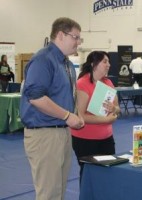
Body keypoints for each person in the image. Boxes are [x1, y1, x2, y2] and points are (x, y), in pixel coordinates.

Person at [20, 17, 85, 200]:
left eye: (80, 38)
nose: (78, 42)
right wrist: (67, 116)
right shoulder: (43, 60)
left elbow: (69, 94)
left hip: (62, 132)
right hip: (44, 135)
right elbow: (36, 97)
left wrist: (76, 114)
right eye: (75, 37)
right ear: (60, 35)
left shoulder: (67, 64)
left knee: (59, 191)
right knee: (48, 194)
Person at [70, 51, 120, 184]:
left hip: (106, 139)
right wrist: (106, 120)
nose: (108, 65)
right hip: (85, 140)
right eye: (105, 61)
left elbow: (117, 109)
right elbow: (80, 116)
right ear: (93, 64)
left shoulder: (108, 82)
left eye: (108, 62)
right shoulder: (83, 83)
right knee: (89, 175)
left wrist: (113, 109)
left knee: (107, 174)